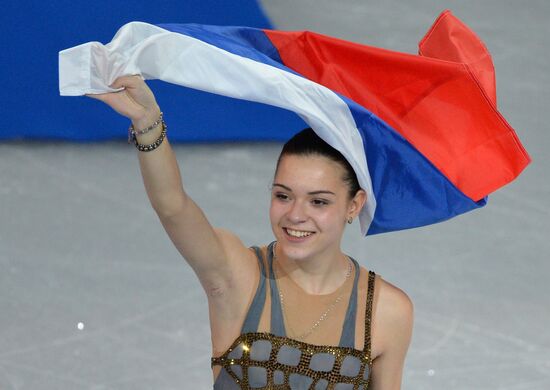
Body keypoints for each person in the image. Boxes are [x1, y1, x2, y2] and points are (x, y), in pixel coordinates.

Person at [88, 74, 414, 389]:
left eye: (318, 202)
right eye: (283, 196)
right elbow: (173, 206)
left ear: (354, 205)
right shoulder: (237, 276)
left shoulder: (387, 310)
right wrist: (148, 122)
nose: (296, 215)